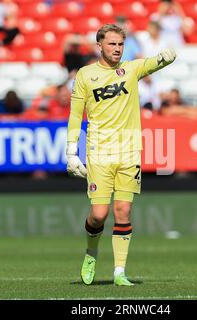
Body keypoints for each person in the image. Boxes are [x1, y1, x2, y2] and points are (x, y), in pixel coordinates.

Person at [66, 24, 176, 286]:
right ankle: (91, 252)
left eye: (120, 44)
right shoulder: (85, 75)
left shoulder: (132, 69)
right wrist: (72, 151)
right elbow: (74, 114)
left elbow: (154, 62)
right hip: (99, 151)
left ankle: (119, 272)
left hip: (129, 151)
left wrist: (169, 54)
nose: (116, 49)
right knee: (99, 215)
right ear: (100, 45)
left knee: (123, 210)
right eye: (112, 44)